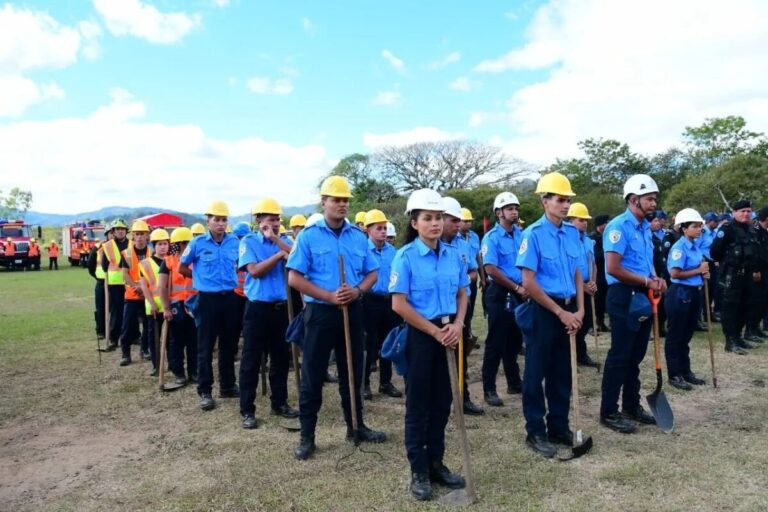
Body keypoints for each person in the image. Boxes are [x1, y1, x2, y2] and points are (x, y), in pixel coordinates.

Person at [287, 176, 385, 461]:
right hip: (320, 313)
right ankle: (307, 436)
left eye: (345, 200)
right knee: (313, 375)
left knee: (352, 371)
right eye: (336, 199)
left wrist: (357, 291)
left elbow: (373, 273)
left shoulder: (358, 237)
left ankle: (356, 427)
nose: (342, 204)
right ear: (324, 202)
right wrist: (328, 296)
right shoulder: (308, 236)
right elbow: (294, 277)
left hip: (352, 311)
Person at [390, 188, 468, 501]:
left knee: (442, 403)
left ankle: (437, 463)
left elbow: (463, 292)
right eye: (428, 218)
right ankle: (419, 471)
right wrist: (435, 333)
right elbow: (399, 304)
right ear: (414, 222)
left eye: (439, 218)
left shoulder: (454, 255)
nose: (435, 224)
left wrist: (459, 324)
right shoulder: (405, 256)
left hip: (451, 332)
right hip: (422, 336)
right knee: (418, 406)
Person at [516, 172, 584, 458]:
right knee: (536, 374)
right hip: (545, 310)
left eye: (568, 200)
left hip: (569, 308)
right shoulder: (533, 234)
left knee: (562, 372)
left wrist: (579, 309)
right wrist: (560, 312)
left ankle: (559, 425)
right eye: (559, 199)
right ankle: (536, 431)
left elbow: (578, 272)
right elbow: (529, 281)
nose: (565, 205)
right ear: (545, 201)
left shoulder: (572, 233)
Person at [599, 174, 665, 434]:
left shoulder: (644, 228)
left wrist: (655, 279)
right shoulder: (618, 227)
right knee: (620, 355)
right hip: (624, 296)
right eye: (649, 199)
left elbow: (644, 264)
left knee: (635, 355)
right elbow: (613, 268)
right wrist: (645, 282)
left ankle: (630, 405)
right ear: (633, 199)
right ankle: (609, 411)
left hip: (643, 295)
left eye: (654, 199)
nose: (653, 203)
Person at [238, 198, 299, 429]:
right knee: (251, 360)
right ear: (259, 220)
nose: (275, 223)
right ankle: (247, 409)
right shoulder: (249, 241)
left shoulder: (284, 240)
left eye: (277, 219)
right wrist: (276, 256)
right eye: (270, 219)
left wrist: (275, 239)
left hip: (281, 308)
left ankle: (280, 402)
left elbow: (296, 256)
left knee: (281, 358)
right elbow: (254, 271)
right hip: (257, 309)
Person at [179, 200, 241, 411]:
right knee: (205, 346)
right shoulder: (197, 243)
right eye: (217, 220)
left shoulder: (234, 242)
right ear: (208, 221)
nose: (221, 224)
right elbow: (182, 267)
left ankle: (227, 385)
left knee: (229, 345)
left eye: (224, 220)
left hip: (230, 299)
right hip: (207, 300)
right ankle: (205, 390)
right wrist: (199, 279)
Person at [480, 192, 525, 410]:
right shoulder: (491, 237)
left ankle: (514, 382)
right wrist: (516, 287)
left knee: (515, 341)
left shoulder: (521, 233)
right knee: (496, 341)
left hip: (520, 292)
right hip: (500, 293)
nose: (514, 212)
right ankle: (489, 387)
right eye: (509, 208)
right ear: (499, 213)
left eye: (516, 208)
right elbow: (490, 269)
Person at [441, 197, 482, 414]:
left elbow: (473, 270)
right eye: (453, 220)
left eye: (459, 220)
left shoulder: (464, 245)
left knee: (460, 352)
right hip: (439, 309)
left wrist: (465, 280)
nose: (457, 224)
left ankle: (462, 397)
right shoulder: (433, 244)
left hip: (461, 306)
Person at [360, 209, 403, 401]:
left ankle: (385, 382)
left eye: (385, 228)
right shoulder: (362, 251)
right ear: (368, 230)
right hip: (369, 301)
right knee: (370, 344)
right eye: (379, 228)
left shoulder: (392, 252)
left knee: (389, 342)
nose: (383, 232)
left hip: (389, 301)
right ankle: (365, 383)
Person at [665, 209, 709, 390]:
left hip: (694, 291)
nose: (699, 229)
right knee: (676, 335)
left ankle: (685, 370)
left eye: (699, 226)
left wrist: (704, 272)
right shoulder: (678, 248)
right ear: (684, 228)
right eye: (695, 226)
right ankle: (674, 374)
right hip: (680, 292)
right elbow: (674, 273)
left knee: (687, 334)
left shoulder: (696, 246)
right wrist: (698, 271)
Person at [710, 200, 761, 354]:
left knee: (745, 306)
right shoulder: (727, 230)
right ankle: (730, 341)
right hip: (731, 276)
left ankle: (738, 337)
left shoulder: (752, 230)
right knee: (730, 308)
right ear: (734, 213)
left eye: (748, 211)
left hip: (747, 276)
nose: (746, 214)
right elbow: (715, 252)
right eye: (742, 211)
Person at [159, 227, 197, 385]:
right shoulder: (168, 262)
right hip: (176, 305)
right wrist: (166, 308)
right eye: (186, 243)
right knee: (176, 341)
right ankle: (178, 372)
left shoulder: (196, 260)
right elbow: (162, 287)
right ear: (180, 244)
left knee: (194, 340)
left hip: (194, 304)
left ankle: (194, 371)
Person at [567, 203, 600, 368]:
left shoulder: (588, 241)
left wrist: (593, 281)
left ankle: (581, 353)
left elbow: (592, 263)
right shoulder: (567, 239)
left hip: (588, 286)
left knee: (586, 321)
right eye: (581, 220)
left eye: (586, 220)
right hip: (573, 289)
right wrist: (582, 286)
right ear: (571, 220)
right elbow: (568, 268)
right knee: (574, 323)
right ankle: (569, 356)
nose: (585, 223)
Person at [118, 220, 151, 366]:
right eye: (137, 234)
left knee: (148, 325)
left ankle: (144, 350)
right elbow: (125, 274)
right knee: (127, 325)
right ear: (133, 236)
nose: (139, 237)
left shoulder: (152, 252)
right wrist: (136, 286)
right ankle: (125, 354)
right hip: (132, 295)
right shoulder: (126, 254)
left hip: (147, 296)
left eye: (142, 234)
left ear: (147, 236)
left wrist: (144, 289)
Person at [139, 229, 170, 376]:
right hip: (154, 307)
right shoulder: (145, 264)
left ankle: (172, 363)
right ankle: (156, 365)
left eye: (165, 244)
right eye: (160, 244)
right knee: (154, 338)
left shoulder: (172, 261)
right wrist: (152, 304)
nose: (163, 247)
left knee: (171, 337)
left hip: (169, 306)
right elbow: (144, 286)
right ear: (154, 245)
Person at [101, 219, 129, 351]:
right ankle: (114, 338)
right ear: (113, 231)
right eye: (117, 229)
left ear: (126, 231)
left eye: (122, 229)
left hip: (130, 283)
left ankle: (133, 336)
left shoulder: (131, 244)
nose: (120, 231)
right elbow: (104, 266)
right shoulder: (107, 246)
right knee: (117, 311)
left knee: (130, 311)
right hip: (115, 283)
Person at [459, 207, 482, 347]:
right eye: (465, 221)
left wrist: (483, 278)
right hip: (461, 278)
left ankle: (468, 332)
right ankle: (464, 334)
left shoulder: (474, 236)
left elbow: (478, 257)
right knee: (463, 308)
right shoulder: (456, 239)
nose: (468, 224)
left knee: (471, 306)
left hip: (472, 277)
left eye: (470, 221)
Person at [88, 227, 113, 340]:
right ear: (106, 234)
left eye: (115, 232)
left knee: (115, 309)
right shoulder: (98, 248)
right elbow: (90, 265)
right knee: (100, 308)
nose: (113, 235)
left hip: (116, 284)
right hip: (101, 283)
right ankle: (101, 331)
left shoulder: (121, 247)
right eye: (111, 233)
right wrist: (98, 277)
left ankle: (113, 331)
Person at [590, 214, 610, 331]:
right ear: (600, 225)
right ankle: (594, 323)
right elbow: (596, 256)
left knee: (603, 301)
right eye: (606, 223)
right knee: (596, 300)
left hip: (606, 273)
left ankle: (601, 322)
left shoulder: (606, 237)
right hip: (596, 274)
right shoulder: (593, 238)